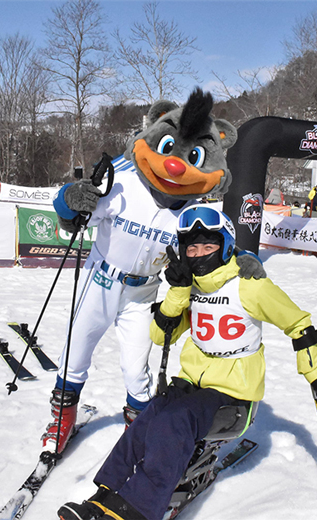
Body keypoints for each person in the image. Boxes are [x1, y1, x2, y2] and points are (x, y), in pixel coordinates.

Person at [57, 206, 317, 520]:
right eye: (192, 247)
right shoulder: (188, 287)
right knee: (147, 418)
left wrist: (316, 373)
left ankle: (137, 509)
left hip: (233, 398)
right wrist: (178, 292)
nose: (200, 253)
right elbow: (160, 334)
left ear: (226, 246)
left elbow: (299, 325)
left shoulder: (250, 285)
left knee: (173, 421)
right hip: (191, 385)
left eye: (209, 246)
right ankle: (104, 495)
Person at [44, 89, 265, 455]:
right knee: (75, 353)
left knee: (137, 371)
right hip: (100, 280)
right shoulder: (122, 181)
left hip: (143, 293)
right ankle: (61, 421)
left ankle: (143, 432)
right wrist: (70, 198)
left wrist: (242, 260)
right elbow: (70, 213)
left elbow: (218, 247)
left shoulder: (193, 208)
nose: (177, 164)